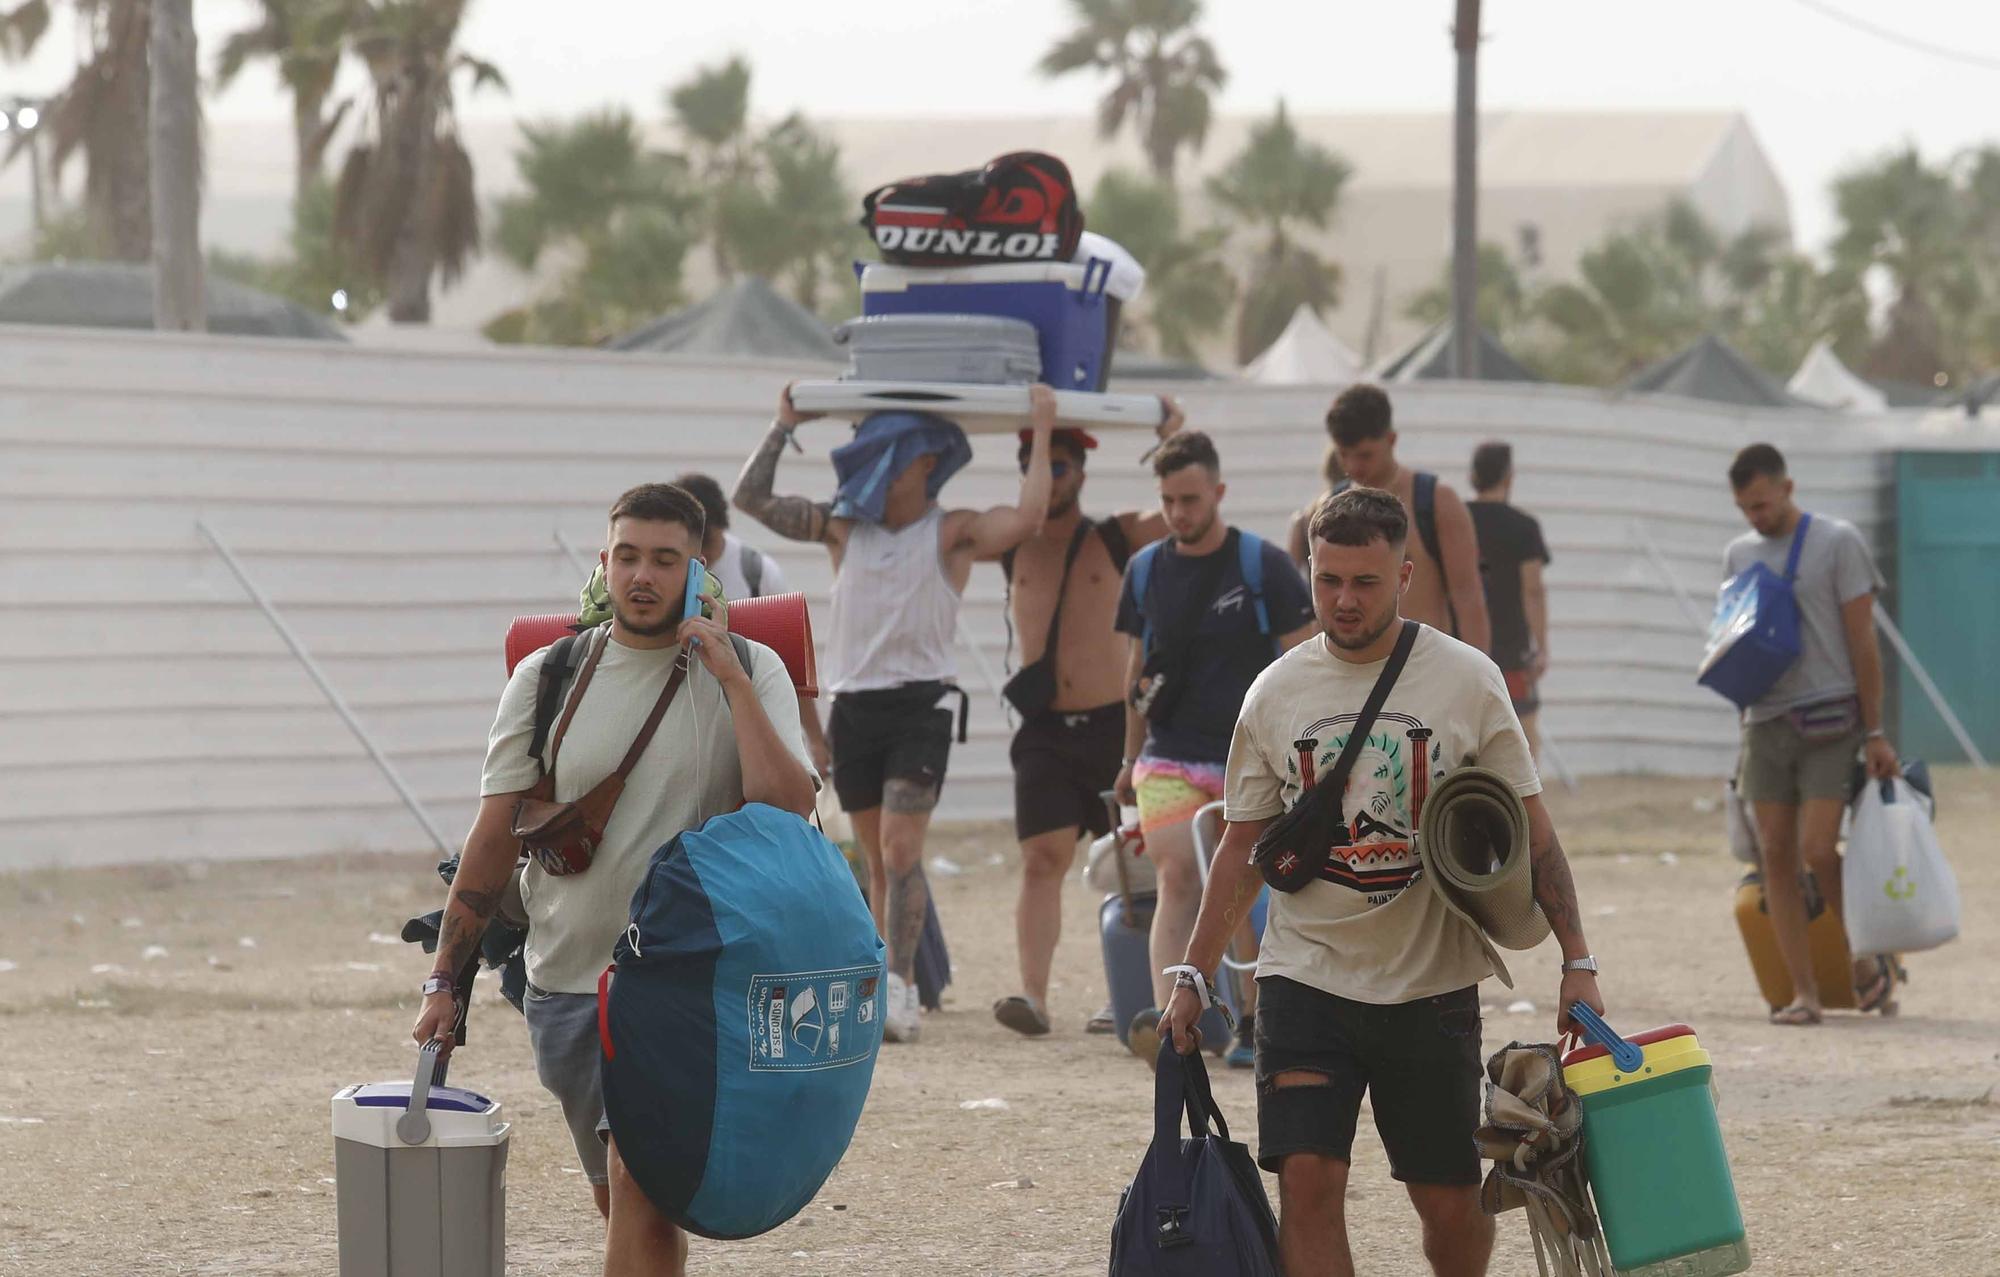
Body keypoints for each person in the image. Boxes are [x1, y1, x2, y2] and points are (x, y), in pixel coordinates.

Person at [1164, 486, 1606, 1277]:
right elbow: (1240, 846)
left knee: (1449, 1206)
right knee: (1307, 1181)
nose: (1343, 599)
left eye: (1365, 582)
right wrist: (1193, 973)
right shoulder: (1274, 692)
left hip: (1429, 987)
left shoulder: (1468, 680)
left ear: (1404, 574)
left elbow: (1535, 831)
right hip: (1304, 976)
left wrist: (1578, 957)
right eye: (1328, 579)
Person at [411, 483, 816, 1277]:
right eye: (628, 556)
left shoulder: (752, 669)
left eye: (666, 561)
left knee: (642, 1188)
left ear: (699, 572)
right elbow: (493, 839)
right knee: (623, 1201)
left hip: (690, 983)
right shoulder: (547, 675)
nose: (642, 575)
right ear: (604, 561)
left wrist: (730, 676)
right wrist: (443, 980)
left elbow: (790, 804)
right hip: (565, 983)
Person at [734, 384, 1056, 1044]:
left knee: (902, 848)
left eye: (893, 456)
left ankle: (902, 991)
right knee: (878, 863)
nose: (877, 468)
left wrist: (1043, 428)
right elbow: (752, 499)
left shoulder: (953, 530)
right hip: (855, 704)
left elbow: (1026, 519)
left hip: (921, 703)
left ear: (927, 463)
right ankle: (879, 985)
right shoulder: (844, 528)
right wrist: (785, 422)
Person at [1115, 430, 1317, 1067]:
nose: (1179, 512)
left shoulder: (1263, 567)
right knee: (1179, 875)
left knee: (1247, 882)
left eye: (1191, 498)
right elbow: (1136, 678)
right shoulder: (1144, 570)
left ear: (1219, 493)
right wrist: (1127, 761)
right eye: (1169, 499)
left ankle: (1259, 1022)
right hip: (1169, 757)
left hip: (1251, 761)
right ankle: (1169, 1025)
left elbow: (1308, 668)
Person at [982, 405, 1183, 1038]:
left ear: (1082, 471)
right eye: (1030, 464)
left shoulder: (1115, 536)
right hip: (1043, 725)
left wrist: (1170, 436)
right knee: (1042, 859)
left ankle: (1120, 994)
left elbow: (1181, 512)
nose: (1042, 473)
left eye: (1055, 463)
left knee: (1129, 864)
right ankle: (1033, 997)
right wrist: (1038, 437)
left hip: (1110, 724)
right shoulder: (1013, 542)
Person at [1724, 443, 1899, 1026]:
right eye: (1746, 508)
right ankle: (1806, 993)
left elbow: (1863, 643)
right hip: (1764, 723)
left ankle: (1866, 956)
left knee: (1819, 849)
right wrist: (1739, 731)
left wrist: (1875, 731)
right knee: (1776, 856)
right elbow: (1733, 647)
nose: (1756, 518)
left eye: (1763, 504)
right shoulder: (1739, 553)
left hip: (1830, 720)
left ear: (1788, 487)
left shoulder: (1838, 541)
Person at [1303, 384, 1491, 654]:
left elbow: (1468, 596)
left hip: (1424, 674)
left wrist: (1478, 678)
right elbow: (1317, 608)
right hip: (1349, 679)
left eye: (1365, 455)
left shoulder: (1436, 502)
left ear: (1391, 440)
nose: (1354, 467)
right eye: (1344, 455)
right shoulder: (1327, 509)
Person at [675, 470, 831, 778]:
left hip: (753, 722)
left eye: (708, 543)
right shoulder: (666, 575)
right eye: (693, 546)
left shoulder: (756, 572)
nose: (702, 556)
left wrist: (816, 740)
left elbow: (790, 665)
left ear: (721, 528)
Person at [1465, 441, 1551, 761]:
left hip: (1463, 646)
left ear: (1473, 475)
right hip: (1512, 651)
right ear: (1508, 477)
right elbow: (1533, 591)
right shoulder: (1524, 528)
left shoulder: (1456, 519)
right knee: (1525, 736)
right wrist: (1541, 647)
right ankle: (1524, 807)